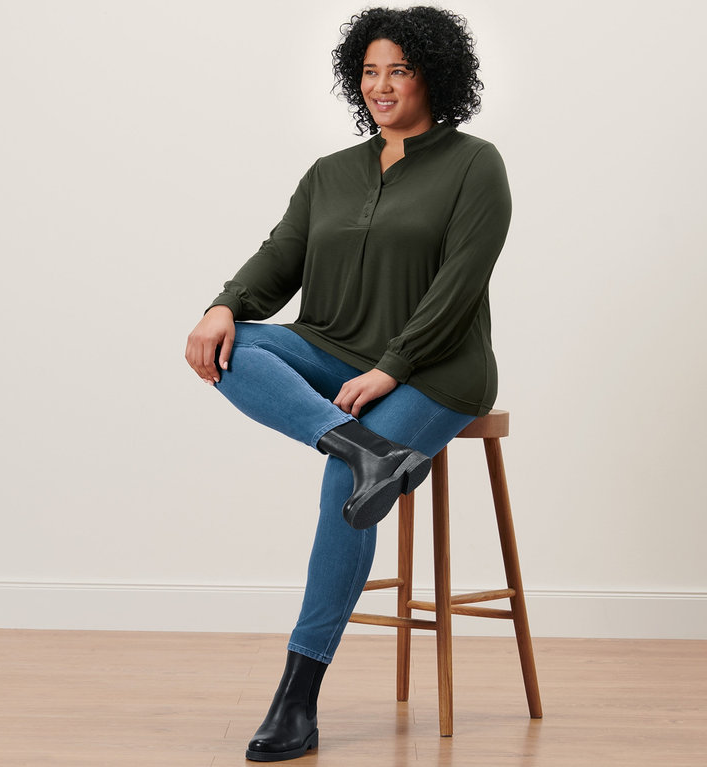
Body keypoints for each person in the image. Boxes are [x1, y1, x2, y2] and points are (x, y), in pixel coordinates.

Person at [185, 6, 511, 761]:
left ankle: (297, 699)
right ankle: (369, 451)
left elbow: (459, 287)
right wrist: (221, 306)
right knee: (238, 346)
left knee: (343, 485)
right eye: (369, 71)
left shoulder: (475, 163)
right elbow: (277, 260)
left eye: (399, 68)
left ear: (436, 74)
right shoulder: (330, 173)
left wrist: (390, 367)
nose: (381, 84)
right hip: (332, 347)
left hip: (438, 367)